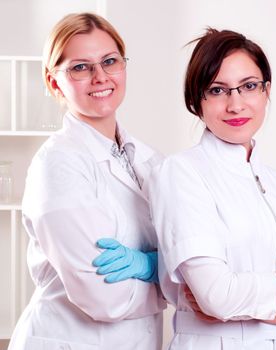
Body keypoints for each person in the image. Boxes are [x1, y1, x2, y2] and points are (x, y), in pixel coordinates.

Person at [148, 28, 276, 349]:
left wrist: (237, 307)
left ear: (266, 92)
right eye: (218, 90)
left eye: (249, 86)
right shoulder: (181, 173)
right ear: (196, 100)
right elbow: (217, 297)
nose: (236, 104)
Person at [8, 13, 165, 350]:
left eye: (110, 61)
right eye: (80, 67)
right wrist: (169, 279)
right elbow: (104, 298)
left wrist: (156, 267)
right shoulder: (58, 165)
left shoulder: (151, 161)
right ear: (53, 83)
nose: (100, 77)